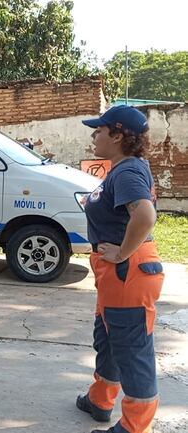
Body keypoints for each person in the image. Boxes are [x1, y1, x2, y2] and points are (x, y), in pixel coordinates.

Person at [75, 105, 165, 433]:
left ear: (118, 135)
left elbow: (144, 216)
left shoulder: (127, 172)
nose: (94, 135)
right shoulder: (124, 168)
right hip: (115, 275)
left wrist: (122, 253)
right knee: (110, 339)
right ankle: (100, 399)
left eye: (99, 130)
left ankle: (134, 427)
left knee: (131, 349)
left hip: (128, 272)